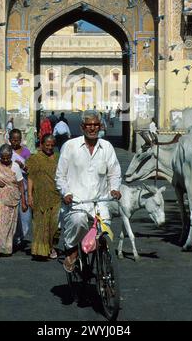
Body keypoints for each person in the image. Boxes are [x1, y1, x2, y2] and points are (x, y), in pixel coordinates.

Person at [55, 110, 122, 273]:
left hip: (100, 203)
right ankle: (72, 251)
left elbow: (114, 172)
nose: (92, 128)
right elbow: (60, 175)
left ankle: (102, 266)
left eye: (95, 125)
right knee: (78, 220)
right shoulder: (70, 146)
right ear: (82, 127)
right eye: (88, 125)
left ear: (100, 126)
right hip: (77, 203)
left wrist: (114, 189)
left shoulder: (106, 147)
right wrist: (66, 193)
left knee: (105, 233)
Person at [0, 144, 27, 258]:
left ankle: (5, 248)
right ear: (0, 155)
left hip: (12, 199)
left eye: (7, 158)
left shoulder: (15, 166)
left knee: (8, 224)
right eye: (3, 157)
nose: (5, 160)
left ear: (11, 156)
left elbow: (20, 184)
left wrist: (24, 202)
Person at [27, 134, 61, 260]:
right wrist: (29, 195)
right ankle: (40, 251)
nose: (49, 148)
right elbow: (30, 177)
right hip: (39, 196)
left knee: (54, 225)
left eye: (52, 145)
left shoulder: (58, 158)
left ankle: (51, 246)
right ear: (41, 145)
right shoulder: (35, 159)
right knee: (40, 225)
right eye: (47, 145)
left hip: (56, 196)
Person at [8, 129, 31, 246]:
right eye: (13, 140)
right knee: (9, 216)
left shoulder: (26, 153)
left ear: (21, 140)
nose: (15, 142)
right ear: (9, 140)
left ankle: (20, 237)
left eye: (17, 140)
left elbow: (31, 171)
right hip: (9, 188)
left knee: (24, 216)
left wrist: (23, 166)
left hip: (24, 188)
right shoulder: (5, 151)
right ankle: (9, 238)